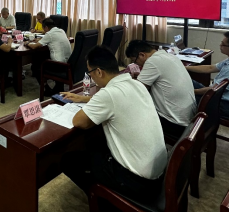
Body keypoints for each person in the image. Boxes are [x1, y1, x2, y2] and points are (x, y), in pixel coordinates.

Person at [59, 46, 167, 201]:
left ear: (99, 72)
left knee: (67, 161)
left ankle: (103, 201)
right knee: (95, 143)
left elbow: (79, 122)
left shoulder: (108, 93)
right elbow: (116, 101)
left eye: (90, 73)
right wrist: (84, 99)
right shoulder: (135, 84)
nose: (91, 78)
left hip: (137, 182)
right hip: (156, 173)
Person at [125, 40, 196, 138]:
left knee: (129, 113)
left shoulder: (152, 61)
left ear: (142, 55)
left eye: (135, 61)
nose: (137, 64)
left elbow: (138, 90)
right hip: (188, 119)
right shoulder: (169, 56)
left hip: (174, 123)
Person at [187, 31, 229, 117]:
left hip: (222, 104)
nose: (220, 46)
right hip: (218, 95)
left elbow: (213, 90)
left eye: (223, 44)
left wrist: (191, 92)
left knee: (181, 96)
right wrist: (185, 67)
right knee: (186, 80)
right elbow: (211, 68)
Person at [27, 18, 72, 95]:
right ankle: (59, 86)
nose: (44, 30)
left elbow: (34, 47)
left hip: (58, 65)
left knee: (36, 67)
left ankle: (46, 89)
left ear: (46, 27)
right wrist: (40, 40)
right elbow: (51, 39)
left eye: (43, 28)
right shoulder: (61, 31)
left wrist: (27, 43)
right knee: (43, 57)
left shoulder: (49, 34)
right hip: (68, 63)